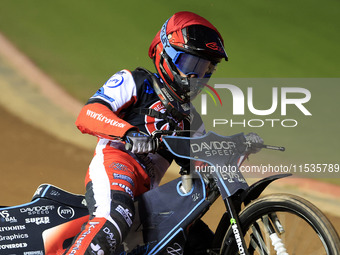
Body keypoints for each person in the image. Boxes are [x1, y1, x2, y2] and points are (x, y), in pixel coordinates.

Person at [64, 11, 262, 254]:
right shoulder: (134, 81)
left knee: (200, 242)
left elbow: (202, 159)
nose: (196, 77)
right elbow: (88, 114)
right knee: (115, 215)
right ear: (164, 53)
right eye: (191, 65)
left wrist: (236, 145)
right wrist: (128, 133)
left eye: (206, 70)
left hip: (149, 194)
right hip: (115, 165)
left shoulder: (191, 118)